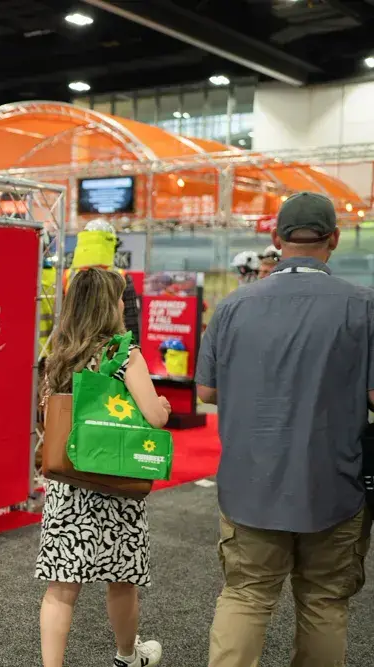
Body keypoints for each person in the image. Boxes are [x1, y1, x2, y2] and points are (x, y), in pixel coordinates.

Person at [196, 192, 372, 667]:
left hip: (249, 485)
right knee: (324, 603)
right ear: (334, 239)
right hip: (335, 486)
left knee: (246, 597)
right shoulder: (364, 307)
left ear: (276, 239)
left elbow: (207, 392)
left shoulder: (232, 308)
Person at [37, 268, 171, 667]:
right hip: (116, 482)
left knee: (61, 589)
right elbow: (154, 416)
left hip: (69, 484)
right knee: (123, 580)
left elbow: (49, 418)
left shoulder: (59, 353)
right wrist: (161, 406)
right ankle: (128, 656)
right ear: (109, 305)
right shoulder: (123, 352)